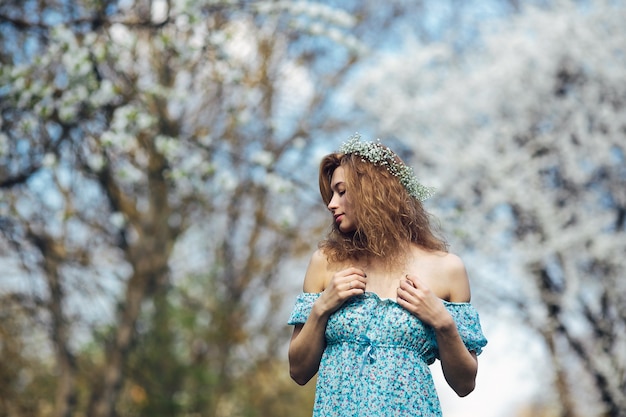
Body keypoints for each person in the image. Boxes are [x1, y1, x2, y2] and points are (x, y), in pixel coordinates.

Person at [287, 134, 487, 416]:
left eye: (342, 192)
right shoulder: (325, 263)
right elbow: (298, 371)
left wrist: (443, 323)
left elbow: (465, 384)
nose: (332, 203)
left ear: (374, 192)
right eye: (331, 194)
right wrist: (321, 308)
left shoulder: (447, 269)